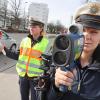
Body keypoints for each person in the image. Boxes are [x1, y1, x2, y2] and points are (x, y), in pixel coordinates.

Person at [47, 2, 100, 100]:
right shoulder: (60, 60)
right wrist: (56, 87)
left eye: (94, 32)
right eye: (82, 30)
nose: (86, 36)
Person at [0, 17, 49, 100]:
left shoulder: (46, 43)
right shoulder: (24, 40)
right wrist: (3, 49)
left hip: (37, 79)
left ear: (41, 28)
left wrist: (44, 77)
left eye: (34, 26)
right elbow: (18, 55)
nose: (31, 28)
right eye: (30, 26)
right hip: (23, 77)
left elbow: (49, 63)